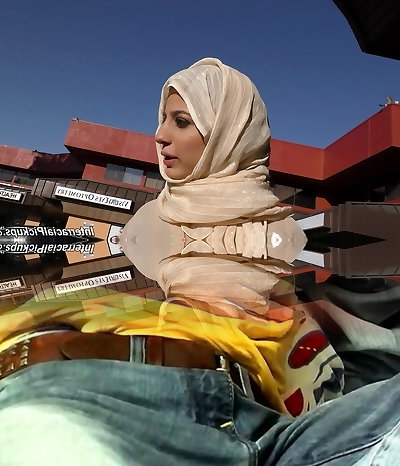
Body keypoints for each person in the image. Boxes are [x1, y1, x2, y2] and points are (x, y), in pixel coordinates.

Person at [0, 58, 399, 465]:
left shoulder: (286, 235)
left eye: (181, 122)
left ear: (229, 133)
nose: (160, 136)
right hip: (96, 389)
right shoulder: (150, 222)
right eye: (162, 120)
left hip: (242, 409)